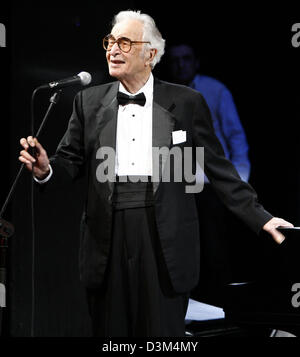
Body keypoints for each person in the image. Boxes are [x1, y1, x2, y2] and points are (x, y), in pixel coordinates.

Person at [18, 10, 293, 337]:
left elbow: (219, 169)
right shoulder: (87, 102)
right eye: (109, 42)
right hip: (107, 237)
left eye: (124, 42)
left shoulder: (186, 102)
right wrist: (46, 169)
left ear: (150, 53)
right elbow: (68, 163)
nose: (112, 50)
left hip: (163, 236)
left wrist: (261, 217)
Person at [167, 43, 252, 306]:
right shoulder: (166, 94)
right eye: (176, 60)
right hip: (179, 183)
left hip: (211, 183)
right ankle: (189, 307)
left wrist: (239, 179)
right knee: (182, 248)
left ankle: (221, 307)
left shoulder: (215, 90)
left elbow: (235, 135)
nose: (181, 65)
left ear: (196, 61)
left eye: (186, 59)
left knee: (215, 249)